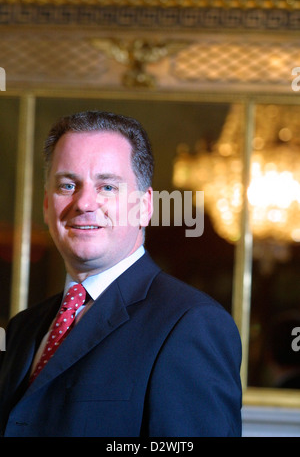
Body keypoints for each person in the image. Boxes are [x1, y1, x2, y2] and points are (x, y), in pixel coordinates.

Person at [0, 111, 242, 437]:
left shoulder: (190, 323)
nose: (84, 202)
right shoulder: (24, 327)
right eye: (67, 185)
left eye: (108, 186)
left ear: (144, 206)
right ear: (46, 205)